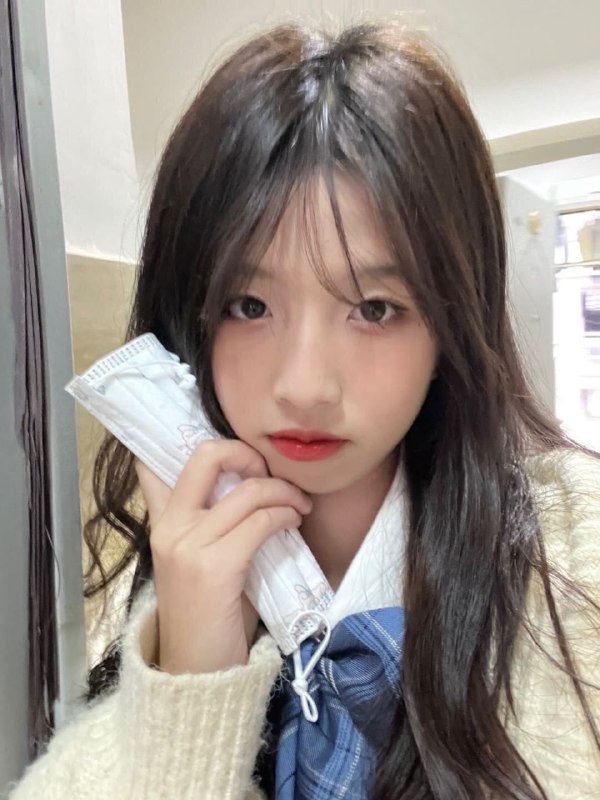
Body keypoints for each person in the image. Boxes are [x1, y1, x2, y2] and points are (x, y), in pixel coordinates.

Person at [7, 20, 600, 800]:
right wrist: (190, 681)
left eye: (374, 308)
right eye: (250, 305)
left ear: (450, 324)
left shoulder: (577, 556)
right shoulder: (162, 595)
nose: (306, 385)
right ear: (190, 321)